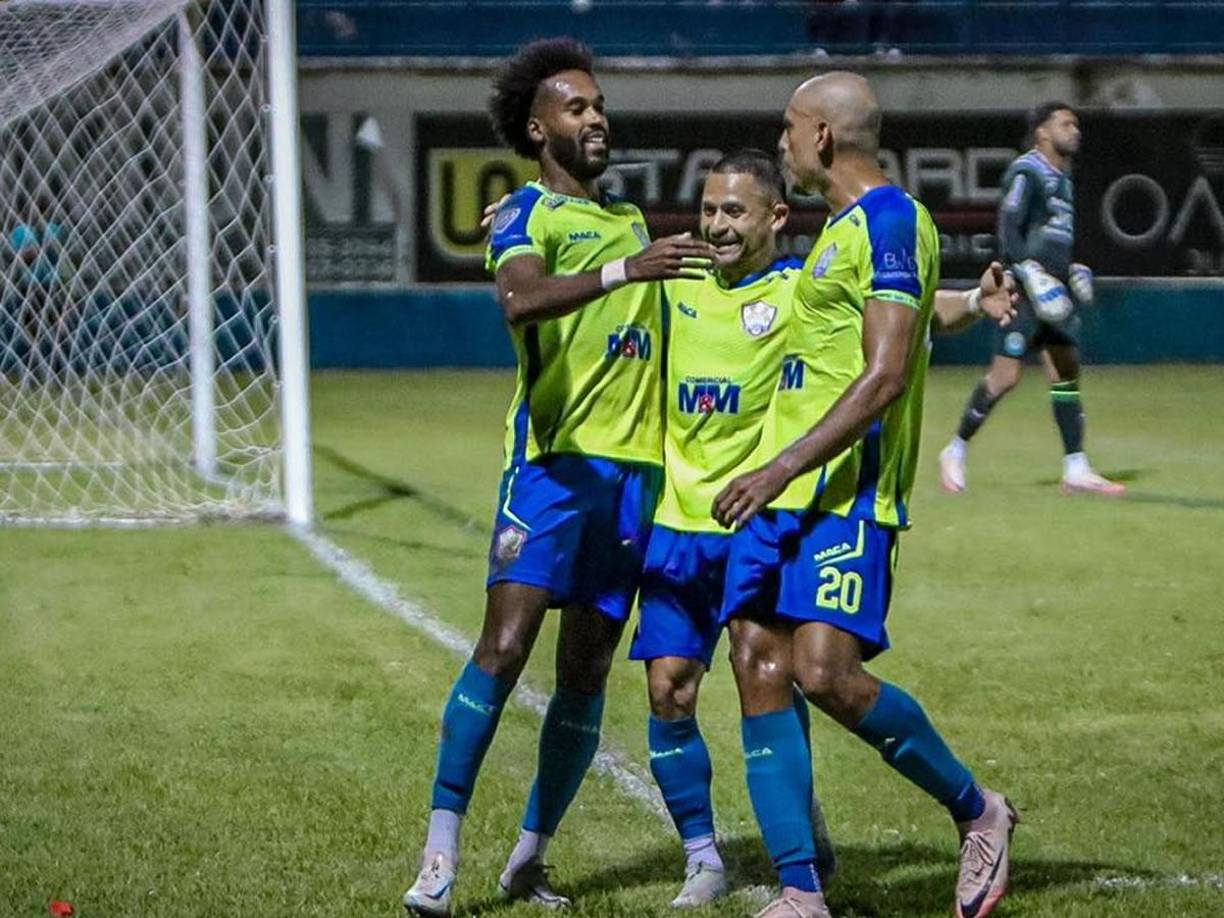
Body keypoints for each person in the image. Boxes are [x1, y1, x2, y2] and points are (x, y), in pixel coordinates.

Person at [402, 38, 715, 917]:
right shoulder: (521, 215)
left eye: (600, 106)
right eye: (578, 108)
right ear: (539, 128)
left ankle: (530, 859)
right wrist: (627, 269)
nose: (597, 119)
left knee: (585, 674)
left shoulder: (631, 225)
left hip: (635, 480)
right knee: (503, 648)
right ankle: (439, 855)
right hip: (549, 469)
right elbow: (521, 299)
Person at [711, 73, 1017, 918]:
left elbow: (885, 373)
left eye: (786, 128)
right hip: (786, 496)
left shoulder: (888, 219)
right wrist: (967, 303)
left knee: (826, 673)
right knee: (757, 662)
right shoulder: (846, 232)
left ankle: (978, 810)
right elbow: (886, 323)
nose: (779, 144)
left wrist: (778, 469)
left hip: (845, 493)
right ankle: (800, 889)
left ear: (820, 136)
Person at [628, 148, 837, 908]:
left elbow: (899, 316)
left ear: (776, 217)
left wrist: (972, 305)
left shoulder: (800, 292)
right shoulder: (672, 287)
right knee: (668, 690)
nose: (716, 224)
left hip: (755, 523)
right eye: (708, 209)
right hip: (676, 524)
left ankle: (798, 855)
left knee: (767, 681)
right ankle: (702, 857)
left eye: (734, 211)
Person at [938, 101, 1125, 497]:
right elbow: (1009, 227)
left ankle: (1076, 467)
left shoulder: (1064, 179)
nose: (1075, 130)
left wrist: (1072, 269)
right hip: (1026, 290)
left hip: (1055, 290)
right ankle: (954, 450)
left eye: (1076, 123)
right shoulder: (1028, 171)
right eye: (1066, 123)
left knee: (1065, 376)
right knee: (1005, 377)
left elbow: (1054, 238)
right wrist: (1026, 270)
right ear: (1043, 131)